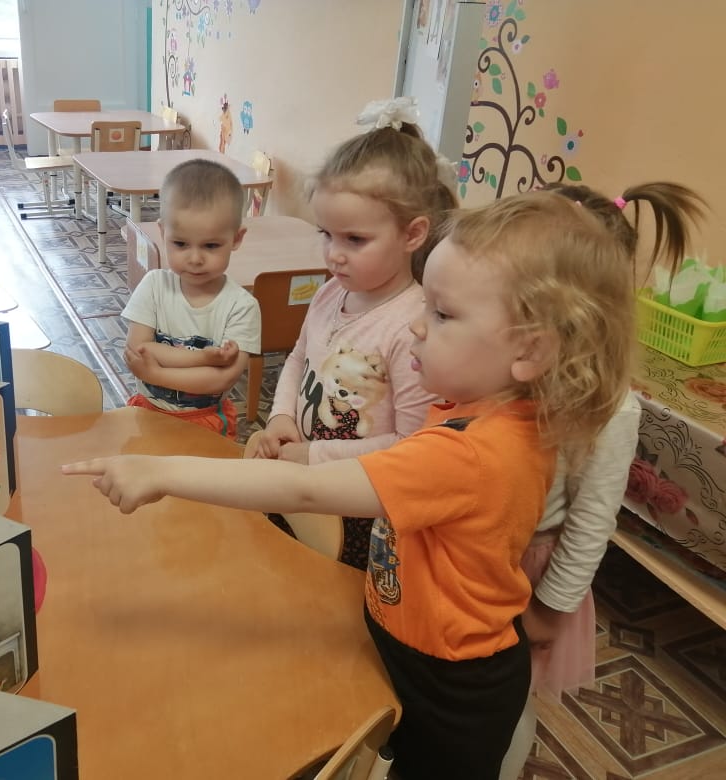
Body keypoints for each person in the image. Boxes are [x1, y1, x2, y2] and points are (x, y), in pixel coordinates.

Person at [64, 191, 635, 779]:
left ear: (531, 350)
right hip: (413, 647)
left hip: (450, 686)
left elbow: (302, 490)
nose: (416, 324)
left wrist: (160, 472)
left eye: (442, 315)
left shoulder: (470, 454)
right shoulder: (493, 408)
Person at [500, 181, 707, 780]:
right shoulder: (505, 362)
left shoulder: (610, 408)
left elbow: (591, 523)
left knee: (509, 700)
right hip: (481, 557)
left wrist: (548, 612)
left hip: (531, 573)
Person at [244, 96, 456, 568]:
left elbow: (412, 445)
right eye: (326, 234)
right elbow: (297, 358)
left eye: (355, 239)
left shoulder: (413, 327)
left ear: (412, 234)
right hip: (304, 478)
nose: (334, 254)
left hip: (358, 509)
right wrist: (281, 418)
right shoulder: (329, 292)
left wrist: (313, 456)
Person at [122, 158, 261, 439]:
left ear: (236, 238)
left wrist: (155, 374)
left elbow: (221, 379)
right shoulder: (154, 285)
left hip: (207, 422)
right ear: (163, 232)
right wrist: (203, 358)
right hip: (146, 414)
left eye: (211, 245)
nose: (195, 258)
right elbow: (139, 349)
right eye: (180, 244)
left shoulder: (242, 306)